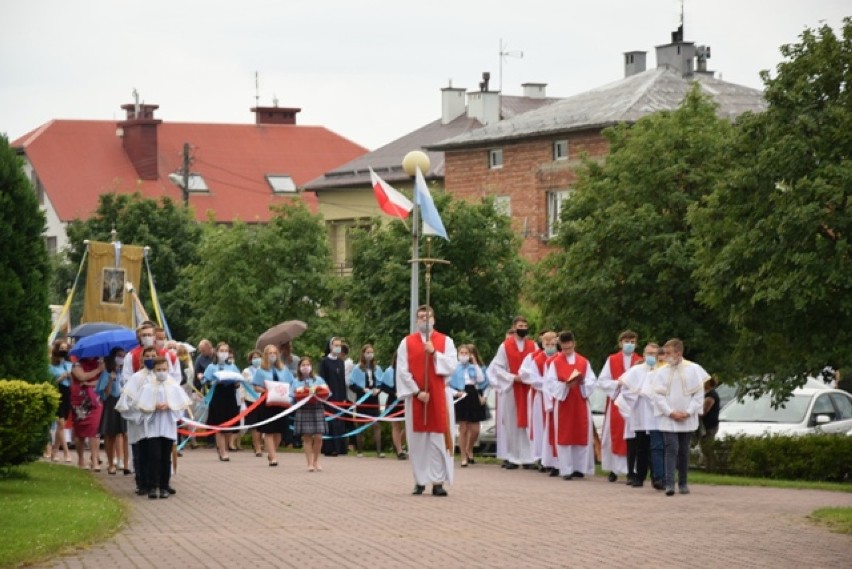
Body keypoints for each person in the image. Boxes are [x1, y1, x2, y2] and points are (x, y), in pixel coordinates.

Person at [395, 305, 458, 496]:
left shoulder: (446, 341)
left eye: (427, 316)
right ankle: (420, 480)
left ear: (434, 319)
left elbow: (451, 365)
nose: (424, 320)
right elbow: (402, 370)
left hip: (439, 396)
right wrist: (416, 392)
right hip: (418, 398)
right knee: (418, 441)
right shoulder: (406, 342)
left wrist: (434, 353)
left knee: (438, 440)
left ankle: (438, 481)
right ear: (416, 321)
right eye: (420, 317)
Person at [649, 338, 709, 496]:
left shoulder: (693, 369)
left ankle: (683, 482)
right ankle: (669, 484)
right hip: (669, 417)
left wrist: (689, 411)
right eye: (665, 353)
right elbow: (657, 395)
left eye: (669, 353)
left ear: (678, 353)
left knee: (683, 450)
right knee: (671, 449)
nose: (666, 356)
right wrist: (670, 412)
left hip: (686, 417)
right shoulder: (661, 371)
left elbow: (698, 394)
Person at [543, 331, 597, 480]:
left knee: (580, 434)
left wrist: (583, 383)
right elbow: (550, 383)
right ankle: (566, 469)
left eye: (570, 348)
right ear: (560, 346)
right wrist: (565, 385)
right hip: (564, 402)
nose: (567, 351)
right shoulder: (555, 362)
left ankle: (579, 468)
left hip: (580, 400)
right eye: (564, 348)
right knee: (565, 435)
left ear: (574, 344)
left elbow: (592, 380)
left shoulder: (583, 362)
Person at [487, 316, 538, 469]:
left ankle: (529, 458)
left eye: (525, 325)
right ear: (514, 328)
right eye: (520, 325)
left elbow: (537, 364)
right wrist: (513, 377)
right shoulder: (505, 346)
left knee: (528, 423)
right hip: (512, 387)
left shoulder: (533, 345)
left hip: (528, 388)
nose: (523, 328)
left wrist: (528, 377)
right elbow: (497, 368)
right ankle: (513, 457)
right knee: (512, 423)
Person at [137, 356, 191, 499]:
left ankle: (164, 486)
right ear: (154, 371)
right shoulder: (148, 387)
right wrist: (153, 406)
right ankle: (153, 486)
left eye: (164, 369)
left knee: (165, 457)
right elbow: (142, 406)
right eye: (159, 370)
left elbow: (181, 405)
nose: (162, 372)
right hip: (154, 426)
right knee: (154, 456)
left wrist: (170, 405)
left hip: (168, 425)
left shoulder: (173, 386)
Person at [614, 342, 665, 489]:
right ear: (643, 355)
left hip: (656, 415)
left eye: (655, 354)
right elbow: (625, 389)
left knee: (656, 447)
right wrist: (639, 393)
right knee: (641, 447)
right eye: (649, 354)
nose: (652, 357)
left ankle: (657, 477)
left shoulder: (662, 371)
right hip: (641, 413)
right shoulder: (636, 370)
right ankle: (639, 476)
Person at [597, 330, 643, 483]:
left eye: (632, 342)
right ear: (620, 343)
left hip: (634, 405)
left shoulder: (641, 361)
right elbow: (603, 381)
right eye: (626, 341)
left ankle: (632, 470)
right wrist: (618, 383)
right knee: (614, 435)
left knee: (633, 438)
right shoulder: (612, 360)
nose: (629, 344)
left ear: (636, 344)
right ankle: (614, 469)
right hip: (616, 402)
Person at [520, 331, 559, 474]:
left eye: (553, 344)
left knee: (553, 427)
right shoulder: (534, 359)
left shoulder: (560, 358)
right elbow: (529, 376)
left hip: (556, 396)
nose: (550, 347)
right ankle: (542, 458)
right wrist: (547, 384)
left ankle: (554, 458)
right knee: (539, 427)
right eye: (547, 344)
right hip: (540, 396)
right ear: (542, 344)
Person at [252, 344, 294, 466]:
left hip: (281, 402)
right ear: (265, 355)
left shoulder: (283, 369)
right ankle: (274, 457)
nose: (272, 355)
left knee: (279, 431)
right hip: (267, 403)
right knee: (269, 430)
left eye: (274, 353)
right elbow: (256, 386)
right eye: (270, 353)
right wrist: (265, 390)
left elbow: (291, 383)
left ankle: (272, 452)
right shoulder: (261, 370)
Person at [450, 344, 488, 467]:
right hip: (461, 394)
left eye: (466, 353)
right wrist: (456, 393)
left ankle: (469, 448)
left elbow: (481, 380)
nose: (464, 355)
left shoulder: (473, 367)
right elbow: (449, 383)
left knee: (475, 428)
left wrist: (475, 363)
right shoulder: (455, 368)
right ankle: (463, 456)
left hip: (472, 394)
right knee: (463, 428)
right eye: (462, 353)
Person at [203, 342, 242, 461]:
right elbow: (205, 381)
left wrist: (237, 383)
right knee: (219, 426)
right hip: (218, 395)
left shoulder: (232, 366)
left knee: (230, 425)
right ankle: (222, 451)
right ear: (217, 352)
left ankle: (224, 447)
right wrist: (213, 382)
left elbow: (238, 381)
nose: (224, 353)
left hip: (230, 395)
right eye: (222, 350)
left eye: (226, 351)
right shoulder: (211, 367)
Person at [292, 356, 330, 471]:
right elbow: (292, 396)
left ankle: (316, 461)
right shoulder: (295, 381)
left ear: (311, 366)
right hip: (304, 409)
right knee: (307, 437)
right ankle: (309, 463)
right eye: (303, 365)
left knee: (318, 436)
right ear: (299, 367)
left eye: (307, 365)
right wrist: (301, 392)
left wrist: (320, 392)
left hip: (317, 408)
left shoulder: (318, 379)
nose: (305, 367)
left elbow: (328, 393)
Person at [70, 355, 106, 470]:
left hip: (95, 399)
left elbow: (102, 381)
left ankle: (94, 459)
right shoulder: (77, 364)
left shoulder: (100, 363)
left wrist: (89, 383)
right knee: (79, 431)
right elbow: (81, 377)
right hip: (79, 399)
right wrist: (98, 370)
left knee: (94, 429)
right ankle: (81, 459)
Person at [96, 347, 128, 475]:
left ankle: (125, 463)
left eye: (123, 356)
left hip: (122, 403)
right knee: (111, 434)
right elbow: (105, 393)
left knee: (125, 433)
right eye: (119, 355)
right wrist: (110, 380)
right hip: (111, 403)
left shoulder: (123, 372)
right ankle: (111, 464)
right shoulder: (107, 373)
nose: (121, 358)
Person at [349, 344, 385, 457]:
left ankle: (379, 451)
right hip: (362, 400)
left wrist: (377, 390)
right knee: (360, 425)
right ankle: (360, 451)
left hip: (374, 400)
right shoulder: (357, 369)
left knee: (376, 425)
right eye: (367, 352)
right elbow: (351, 385)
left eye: (371, 352)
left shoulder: (377, 368)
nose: (370, 354)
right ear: (363, 354)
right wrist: (361, 389)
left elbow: (382, 383)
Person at [320, 337, 348, 457]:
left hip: (339, 396)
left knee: (339, 421)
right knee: (330, 422)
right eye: (335, 345)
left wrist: (344, 397)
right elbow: (322, 379)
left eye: (339, 345)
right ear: (330, 346)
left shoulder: (341, 362)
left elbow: (342, 380)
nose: (338, 347)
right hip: (328, 397)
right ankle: (329, 448)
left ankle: (340, 447)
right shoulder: (324, 361)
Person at [47, 340, 73, 463]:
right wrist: (60, 378)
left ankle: (55, 451)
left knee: (61, 426)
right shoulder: (50, 366)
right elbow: (50, 382)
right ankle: (66, 453)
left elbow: (72, 382)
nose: (64, 351)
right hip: (57, 392)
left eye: (65, 348)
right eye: (61, 348)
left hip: (67, 393)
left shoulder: (67, 364)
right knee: (61, 423)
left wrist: (70, 376)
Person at [381, 352, 407, 460]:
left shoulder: (407, 371)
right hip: (394, 400)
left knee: (409, 426)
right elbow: (383, 386)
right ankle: (399, 450)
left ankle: (398, 444)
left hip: (406, 400)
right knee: (396, 425)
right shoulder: (389, 371)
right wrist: (394, 392)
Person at [241, 349, 265, 456]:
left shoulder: (265, 370)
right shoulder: (247, 371)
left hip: (263, 399)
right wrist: (241, 398)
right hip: (251, 399)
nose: (256, 359)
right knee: (254, 424)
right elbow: (244, 384)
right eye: (254, 358)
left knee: (262, 423)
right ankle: (257, 446)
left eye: (258, 357)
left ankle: (260, 443)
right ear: (250, 360)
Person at [698, 376, 721, 471]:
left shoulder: (711, 395)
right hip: (706, 425)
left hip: (710, 425)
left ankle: (711, 467)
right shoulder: (707, 394)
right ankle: (708, 466)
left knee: (707, 447)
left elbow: (704, 411)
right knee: (704, 446)